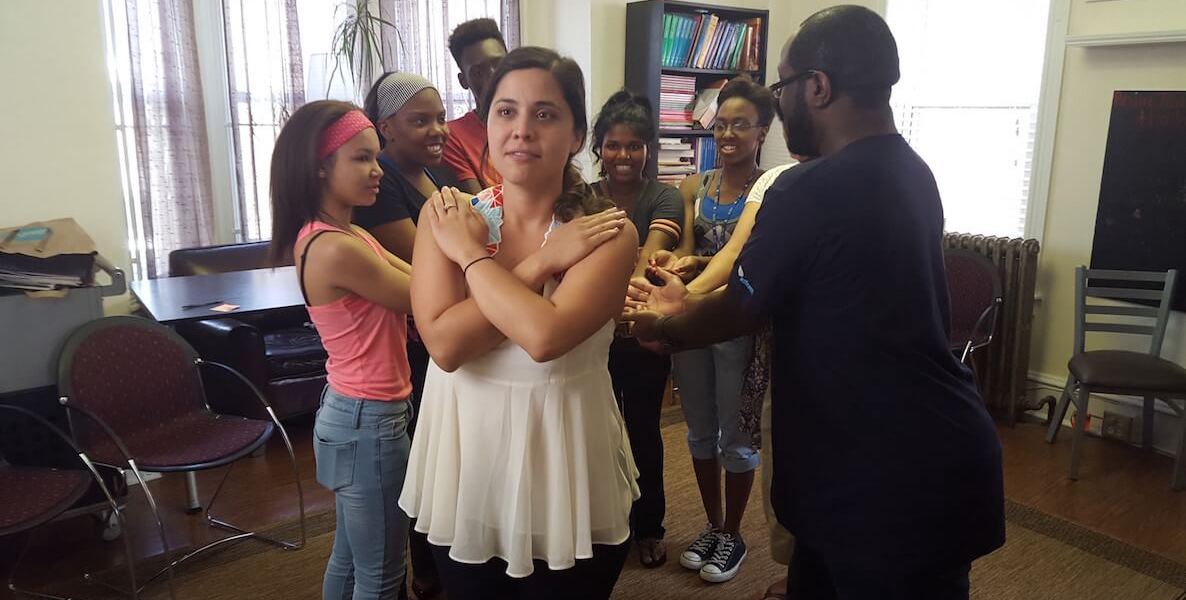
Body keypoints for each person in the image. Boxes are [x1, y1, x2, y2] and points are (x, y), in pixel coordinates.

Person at [627, 6, 1006, 599]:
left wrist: (665, 322)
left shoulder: (810, 187)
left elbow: (738, 309)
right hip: (937, 459)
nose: (779, 106)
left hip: (880, 481)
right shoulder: (914, 172)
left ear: (820, 86)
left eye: (782, 87)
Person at [399, 47, 641, 599]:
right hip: (470, 465)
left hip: (566, 463)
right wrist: (542, 262)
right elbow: (445, 345)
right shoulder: (447, 220)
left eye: (545, 114)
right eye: (505, 112)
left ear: (577, 135)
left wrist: (472, 262)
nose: (522, 130)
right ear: (486, 125)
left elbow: (543, 336)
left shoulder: (607, 231)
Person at [269, 100, 415, 599]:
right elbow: (426, 297)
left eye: (377, 157)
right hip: (369, 419)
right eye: (361, 158)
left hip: (352, 412)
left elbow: (417, 283)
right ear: (320, 166)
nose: (378, 171)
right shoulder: (336, 247)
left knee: (352, 561)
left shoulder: (346, 234)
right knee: (381, 574)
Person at [656, 75, 775, 585]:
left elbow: (744, 258)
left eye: (740, 126)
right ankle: (711, 523)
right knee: (700, 428)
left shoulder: (772, 188)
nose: (728, 135)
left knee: (738, 435)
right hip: (692, 325)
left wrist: (690, 292)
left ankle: (733, 532)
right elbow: (687, 249)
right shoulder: (693, 185)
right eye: (720, 124)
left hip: (739, 329)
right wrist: (672, 263)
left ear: (762, 131)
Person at [355, 70, 458, 600]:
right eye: (421, 120)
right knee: (426, 461)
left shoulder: (436, 179)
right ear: (386, 127)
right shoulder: (383, 184)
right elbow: (428, 262)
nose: (437, 129)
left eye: (439, 117)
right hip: (414, 347)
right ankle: (428, 572)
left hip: (441, 337)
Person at [590, 89, 684, 569]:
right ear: (598, 148)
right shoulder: (583, 198)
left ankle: (649, 526)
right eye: (612, 144)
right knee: (594, 432)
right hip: (591, 339)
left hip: (642, 336)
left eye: (633, 145)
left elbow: (650, 255)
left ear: (648, 149)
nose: (622, 155)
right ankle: (604, 521)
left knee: (643, 430)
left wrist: (613, 288)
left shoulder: (664, 195)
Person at [443, 17, 507, 194]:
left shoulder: (533, 122)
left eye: (500, 64)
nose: (493, 77)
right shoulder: (454, 136)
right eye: (478, 72)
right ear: (464, 81)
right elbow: (481, 211)